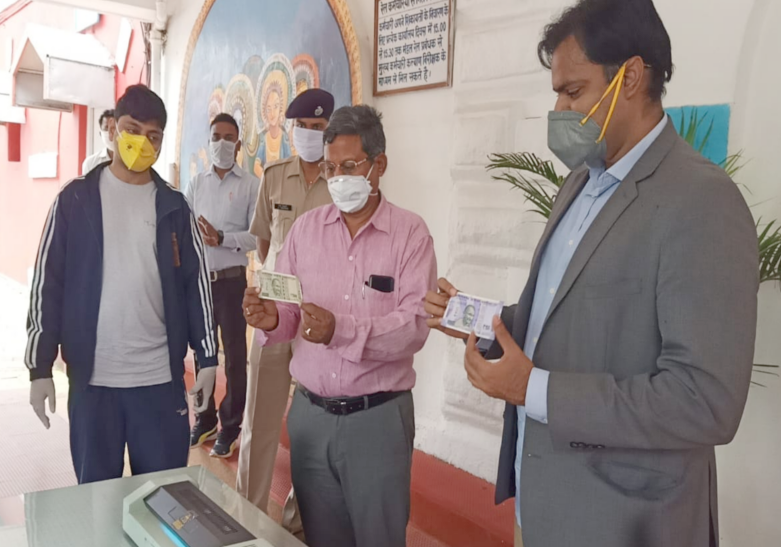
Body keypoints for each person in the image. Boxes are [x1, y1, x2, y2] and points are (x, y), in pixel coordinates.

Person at [424, 1, 759, 546]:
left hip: (623, 522)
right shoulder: (579, 183)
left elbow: (704, 401)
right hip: (544, 503)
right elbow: (563, 316)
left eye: (573, 92)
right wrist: (479, 321)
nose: (558, 109)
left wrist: (534, 389)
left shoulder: (701, 202)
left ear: (632, 77)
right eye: (557, 93)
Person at [243, 105, 437, 547]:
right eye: (331, 168)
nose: (337, 178)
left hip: (376, 420)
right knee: (321, 537)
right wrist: (271, 319)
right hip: (310, 417)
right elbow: (289, 312)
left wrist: (340, 331)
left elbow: (414, 326)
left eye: (349, 167)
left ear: (379, 165)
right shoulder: (305, 231)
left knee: (378, 537)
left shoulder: (410, 235)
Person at [25, 85, 219, 484]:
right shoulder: (74, 200)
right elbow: (48, 285)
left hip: (159, 383)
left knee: (164, 497)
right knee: (97, 498)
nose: (141, 143)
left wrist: (207, 357)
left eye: (153, 136)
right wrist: (39, 367)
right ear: (113, 128)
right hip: (93, 384)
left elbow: (195, 286)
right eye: (132, 130)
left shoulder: (174, 206)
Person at [237, 88, 335, 530]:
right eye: (304, 127)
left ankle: (297, 521)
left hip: (318, 320)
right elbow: (265, 243)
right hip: (274, 315)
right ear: (292, 130)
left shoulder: (342, 182)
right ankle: (247, 516)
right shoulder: (274, 177)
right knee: (259, 422)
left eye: (319, 127)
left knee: (311, 428)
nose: (310, 134)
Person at [184, 113, 260, 458]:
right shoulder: (196, 184)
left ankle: (230, 427)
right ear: (209, 141)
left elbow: (257, 237)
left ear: (238, 145)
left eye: (229, 138)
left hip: (232, 284)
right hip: (201, 283)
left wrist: (222, 238)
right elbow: (184, 228)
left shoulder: (250, 185)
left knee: (234, 359)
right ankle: (204, 419)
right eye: (216, 137)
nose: (222, 143)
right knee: (203, 354)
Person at [81, 110, 115, 175]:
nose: (110, 132)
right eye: (106, 128)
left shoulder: (132, 160)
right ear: (100, 134)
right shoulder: (91, 163)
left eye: (113, 128)